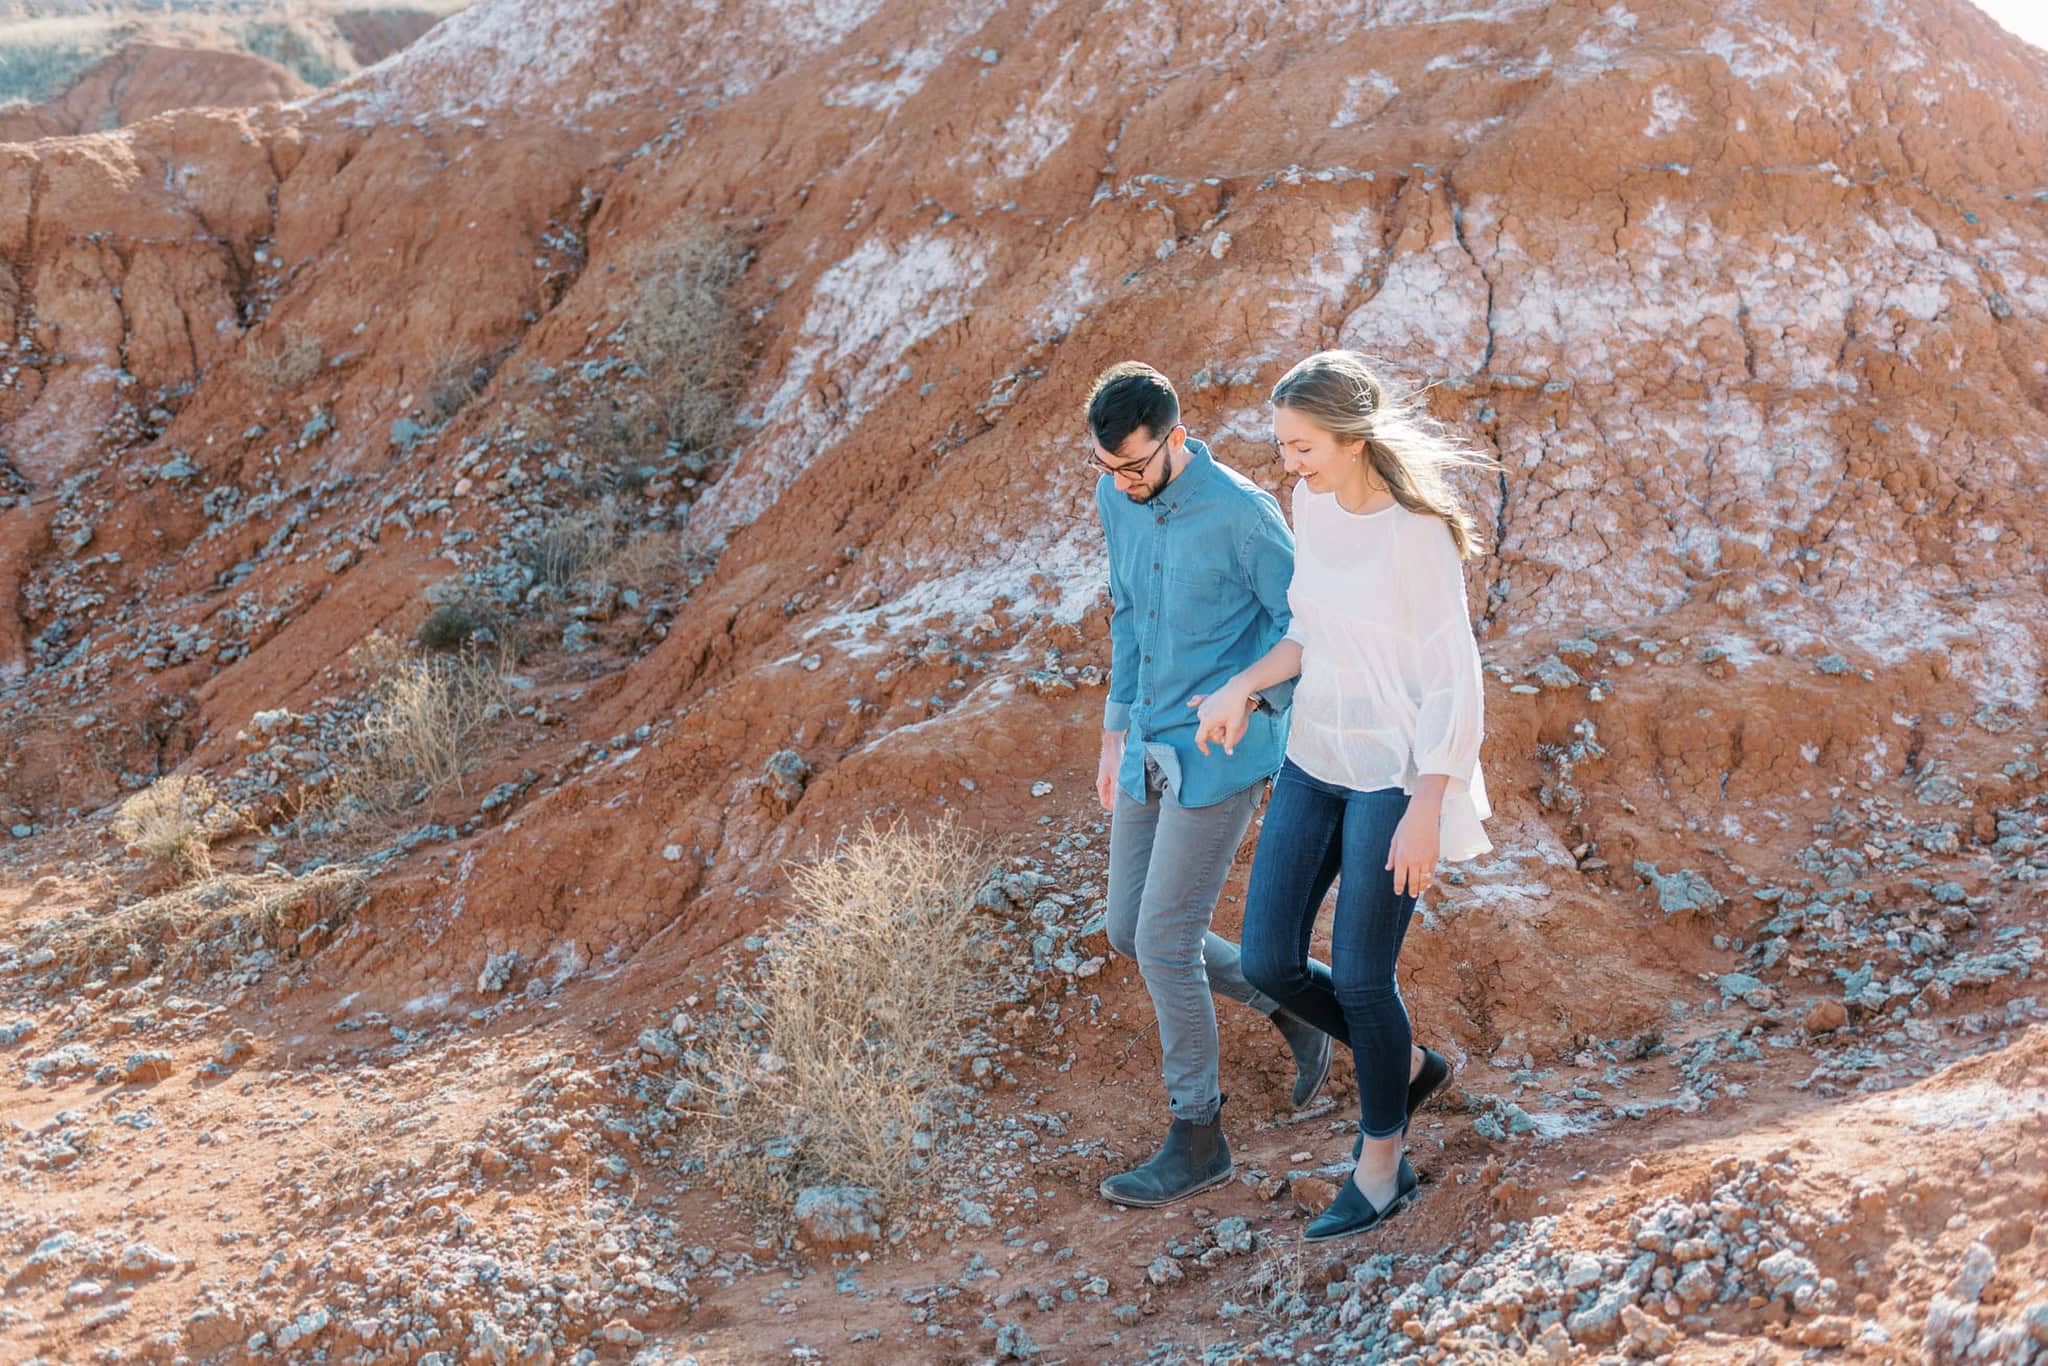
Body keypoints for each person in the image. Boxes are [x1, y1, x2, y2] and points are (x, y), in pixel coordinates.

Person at [1191, 350, 1497, 1241]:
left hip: (1395, 774)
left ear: (1352, 438)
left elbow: (1454, 679)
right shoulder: (1312, 505)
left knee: (1363, 977)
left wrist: (1428, 805)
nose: (1289, 464)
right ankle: (1405, 1067)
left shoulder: (1416, 535)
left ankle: (1381, 1163)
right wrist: (1242, 686)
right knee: (1267, 961)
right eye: (1283, 447)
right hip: (1317, 755)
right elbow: (1311, 632)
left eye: (1302, 447)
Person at [1086, 360, 1336, 1208]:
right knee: (1128, 928)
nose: (1124, 483)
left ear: (1178, 439)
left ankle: (1199, 1138)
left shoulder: (1243, 515)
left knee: (1165, 940)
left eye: (1136, 467)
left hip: (1223, 753)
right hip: (1147, 743)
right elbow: (1128, 612)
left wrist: (1252, 696)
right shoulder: (1116, 497)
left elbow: (1309, 625)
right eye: (1109, 468)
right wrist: (1113, 732)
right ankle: (1292, 1005)